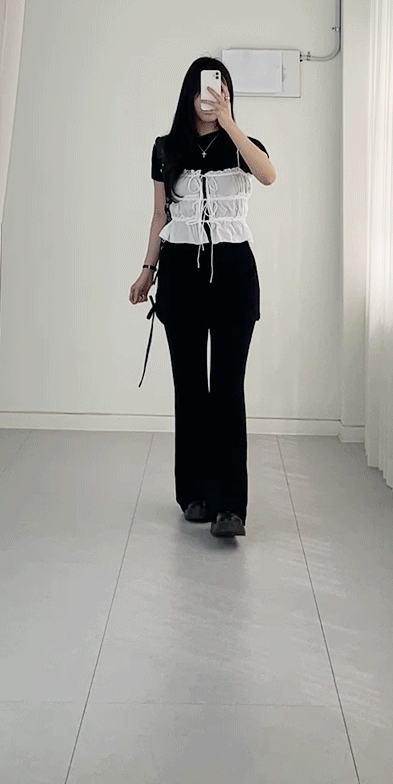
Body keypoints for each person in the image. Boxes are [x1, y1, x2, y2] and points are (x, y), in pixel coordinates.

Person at [129, 56, 276, 538]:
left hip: (234, 276)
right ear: (189, 94)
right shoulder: (166, 148)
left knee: (228, 389)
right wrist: (147, 271)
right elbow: (160, 215)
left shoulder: (243, 146)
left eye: (221, 90)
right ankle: (195, 493)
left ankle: (231, 506)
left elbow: (269, 175)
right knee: (190, 388)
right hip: (182, 275)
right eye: (205, 90)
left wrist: (230, 123)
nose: (212, 97)